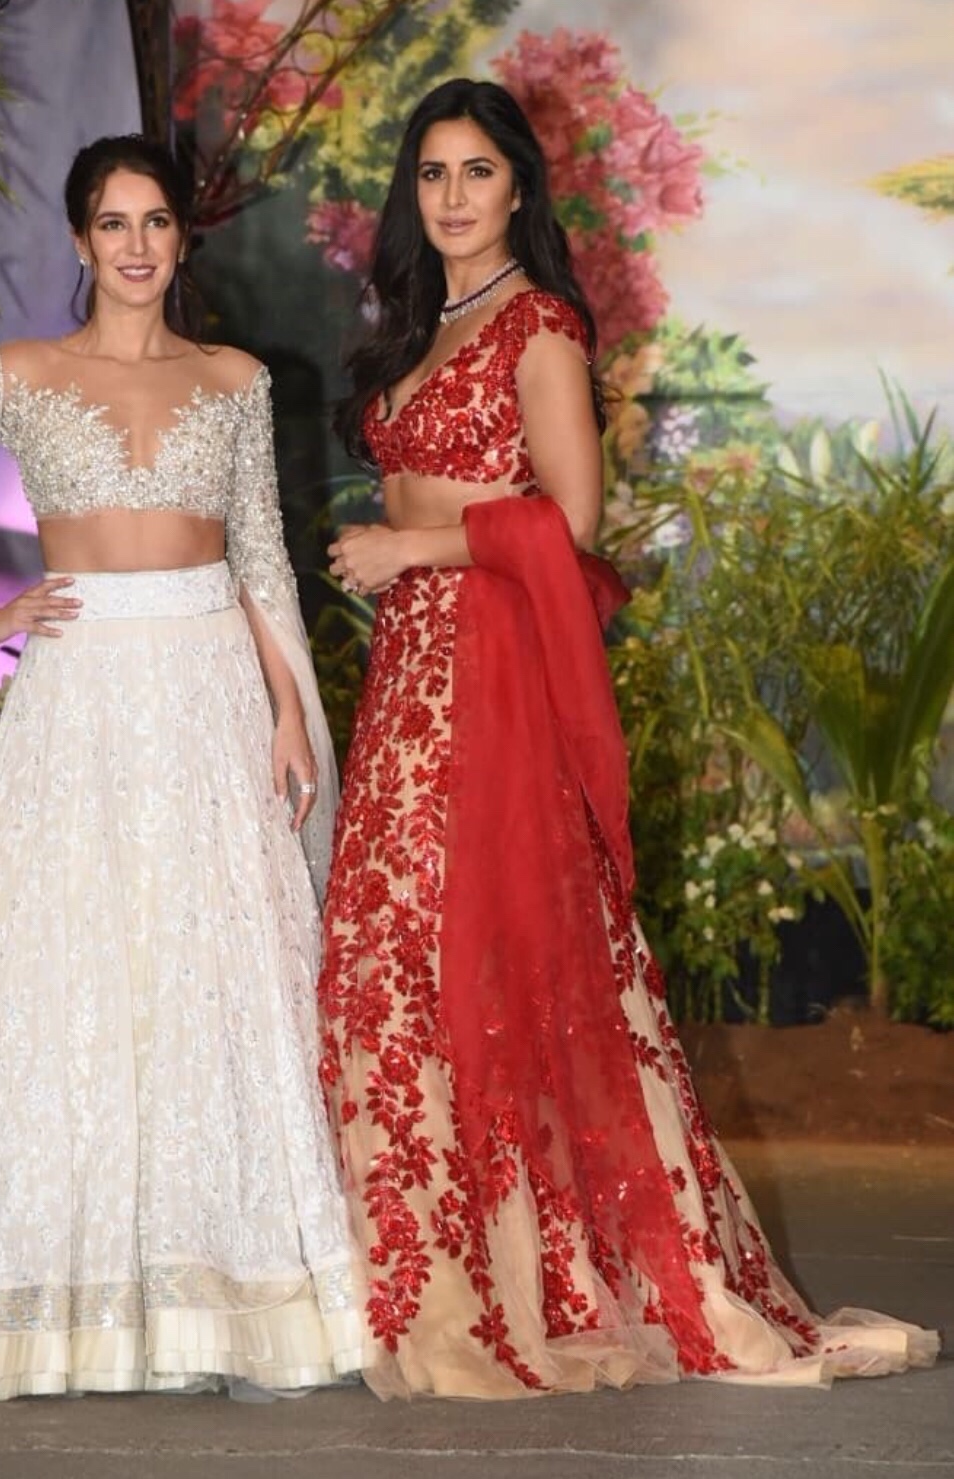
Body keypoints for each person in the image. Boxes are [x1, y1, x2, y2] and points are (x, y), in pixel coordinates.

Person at [318, 78, 937, 1400]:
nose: (452, 197)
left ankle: (522, 1285)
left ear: (519, 189)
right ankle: (421, 1269)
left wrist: (411, 547)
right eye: (431, 172)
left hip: (490, 677)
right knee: (388, 957)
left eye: (477, 172)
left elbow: (571, 521)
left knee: (488, 955)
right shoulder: (419, 324)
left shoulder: (539, 326)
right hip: (408, 677)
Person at [0, 134, 365, 1399]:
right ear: (80, 239)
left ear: (182, 238)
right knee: (47, 970)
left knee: (216, 979)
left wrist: (287, 711)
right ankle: (26, 1294)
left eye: (155, 221)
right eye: (112, 223)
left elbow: (262, 556)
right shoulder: (23, 372)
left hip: (211, 696)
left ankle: (227, 1294)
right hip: (80, 696)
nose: (136, 245)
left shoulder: (236, 379)